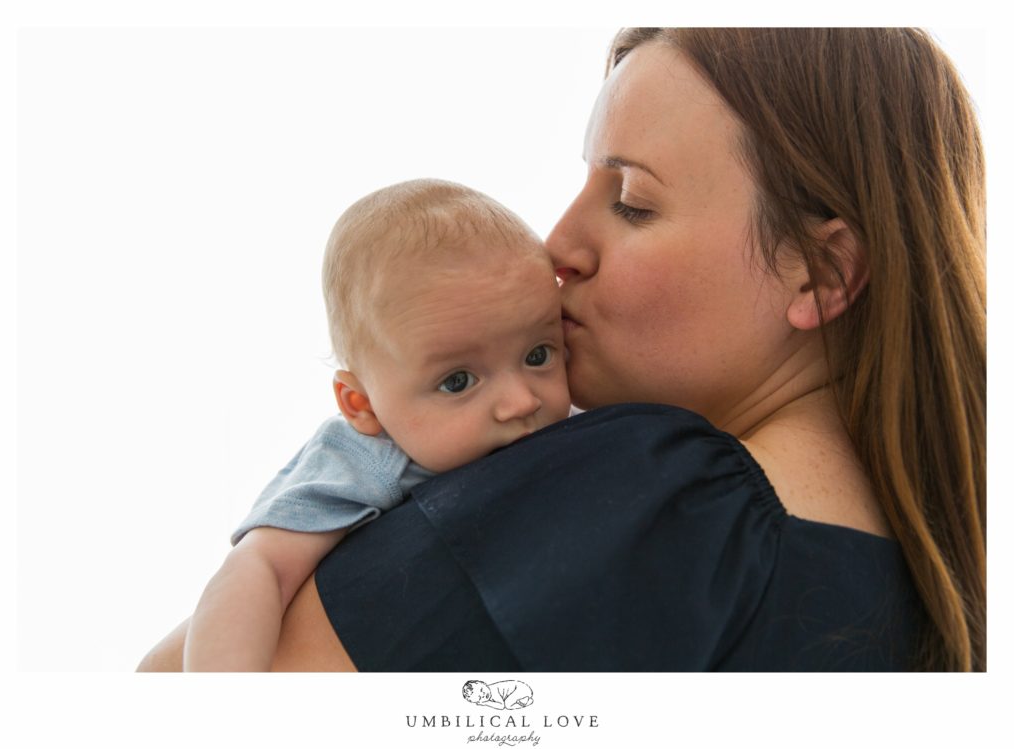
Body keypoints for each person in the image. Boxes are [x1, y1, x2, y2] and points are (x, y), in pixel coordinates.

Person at [139, 28, 985, 672]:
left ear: (821, 273)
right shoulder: (930, 590)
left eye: (632, 201)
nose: (556, 244)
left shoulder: (655, 491)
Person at [182, 179, 571, 670]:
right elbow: (261, 566)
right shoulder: (366, 459)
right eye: (457, 382)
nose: (520, 401)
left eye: (538, 355)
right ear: (362, 405)